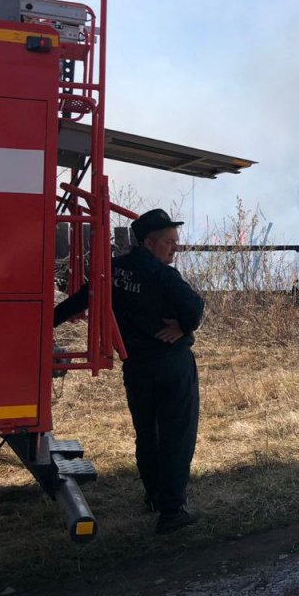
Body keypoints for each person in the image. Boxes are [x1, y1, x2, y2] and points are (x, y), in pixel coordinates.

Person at [54, 208, 205, 534]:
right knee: (177, 436)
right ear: (149, 243)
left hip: (136, 368)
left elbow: (81, 299)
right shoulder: (164, 275)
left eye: (175, 242)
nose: (174, 249)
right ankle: (172, 510)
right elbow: (195, 308)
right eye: (169, 242)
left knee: (148, 434)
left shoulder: (114, 270)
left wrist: (41, 324)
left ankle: (153, 496)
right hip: (171, 365)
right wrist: (184, 327)